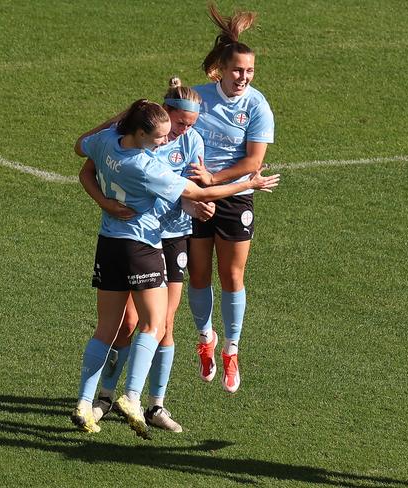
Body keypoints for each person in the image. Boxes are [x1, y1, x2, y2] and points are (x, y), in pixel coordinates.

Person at [71, 99, 279, 438]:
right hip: (142, 245)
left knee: (105, 328)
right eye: (160, 136)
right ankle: (132, 397)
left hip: (108, 242)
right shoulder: (145, 167)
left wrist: (119, 118)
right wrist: (249, 185)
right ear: (140, 133)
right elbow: (198, 191)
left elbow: (80, 146)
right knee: (153, 325)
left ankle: (84, 402)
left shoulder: (107, 140)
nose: (167, 141)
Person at [78, 78, 215, 433]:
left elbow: (195, 187)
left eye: (190, 125)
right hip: (141, 239)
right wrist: (104, 201)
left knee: (163, 324)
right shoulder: (144, 140)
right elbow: (88, 165)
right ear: (165, 114)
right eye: (180, 123)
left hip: (172, 238)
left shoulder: (191, 141)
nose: (183, 131)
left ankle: (154, 405)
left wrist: (203, 195)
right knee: (125, 324)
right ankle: (107, 397)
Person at [186, 4, 274, 394]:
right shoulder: (197, 100)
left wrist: (214, 179)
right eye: (238, 70)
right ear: (220, 69)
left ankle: (232, 349)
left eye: (250, 71)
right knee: (199, 273)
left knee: (232, 275)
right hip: (194, 196)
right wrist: (196, 189)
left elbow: (254, 160)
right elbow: (172, 140)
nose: (244, 78)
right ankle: (207, 339)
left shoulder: (257, 106)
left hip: (235, 195)